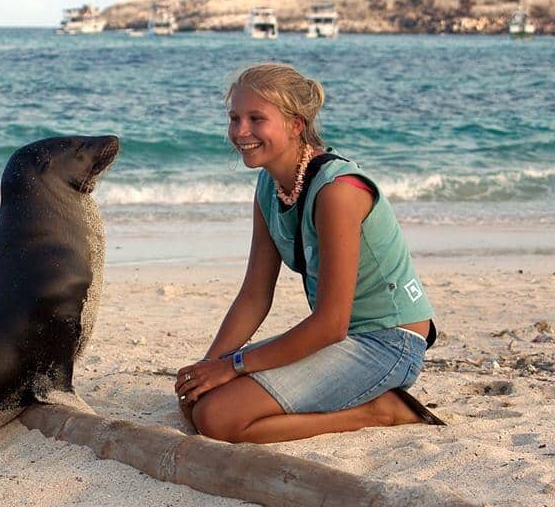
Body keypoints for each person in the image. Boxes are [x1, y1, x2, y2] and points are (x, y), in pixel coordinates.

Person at [174, 63, 443, 444]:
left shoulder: (338, 192)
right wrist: (208, 367)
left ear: (296, 125)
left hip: (388, 343)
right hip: (338, 338)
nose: (240, 131)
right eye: (234, 118)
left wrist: (233, 366)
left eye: (256, 118)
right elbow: (254, 297)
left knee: (218, 418)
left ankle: (379, 410)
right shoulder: (270, 186)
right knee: (198, 402)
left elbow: (330, 323)